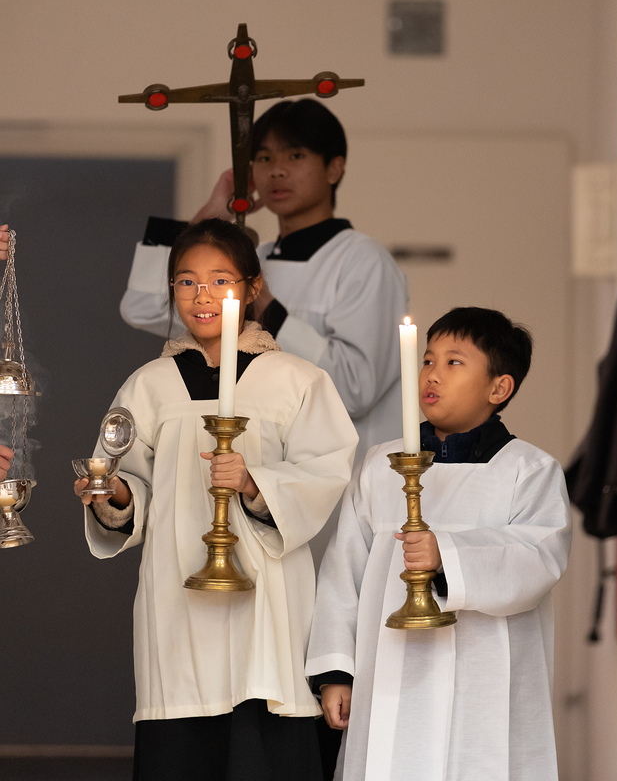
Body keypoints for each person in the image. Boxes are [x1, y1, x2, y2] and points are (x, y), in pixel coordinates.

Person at [74, 218, 358, 781]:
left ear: (253, 288)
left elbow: (324, 473)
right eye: (186, 281)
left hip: (267, 605)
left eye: (220, 280)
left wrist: (254, 484)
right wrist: (115, 494)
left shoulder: (297, 380)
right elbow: (132, 484)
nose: (202, 295)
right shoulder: (148, 385)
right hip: (176, 602)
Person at [305, 307, 572, 781]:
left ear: (499, 388)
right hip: (388, 675)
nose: (432, 374)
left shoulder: (529, 471)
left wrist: (446, 556)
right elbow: (343, 571)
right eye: (427, 360)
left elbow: (538, 558)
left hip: (484, 680)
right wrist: (336, 672)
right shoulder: (381, 465)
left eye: (454, 362)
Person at [118, 100, 408, 463]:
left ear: (334, 168)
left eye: (296, 156)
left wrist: (265, 305)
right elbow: (143, 306)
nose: (277, 171)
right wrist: (206, 219)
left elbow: (355, 389)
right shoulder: (256, 257)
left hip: (341, 476)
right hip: (253, 471)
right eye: (265, 158)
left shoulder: (363, 260)